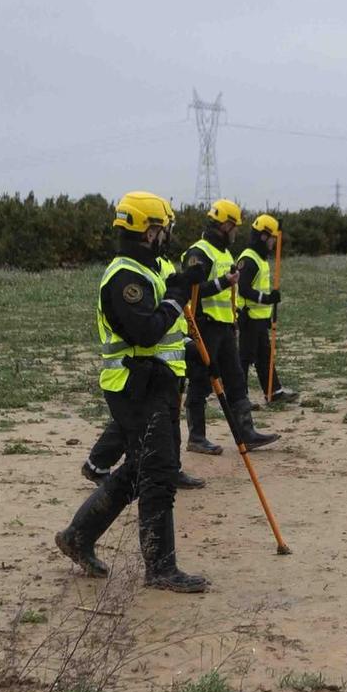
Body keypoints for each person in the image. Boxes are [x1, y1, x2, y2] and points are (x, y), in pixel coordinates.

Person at [55, 192, 209, 593]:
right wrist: (177, 298)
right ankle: (161, 568)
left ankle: (78, 535)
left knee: (140, 469)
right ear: (146, 230)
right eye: (162, 228)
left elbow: (159, 333)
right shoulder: (125, 277)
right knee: (158, 475)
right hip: (135, 387)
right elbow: (144, 330)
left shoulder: (149, 268)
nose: (167, 236)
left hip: (153, 381)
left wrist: (186, 342)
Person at [182, 199, 278, 455]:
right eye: (234, 226)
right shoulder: (198, 252)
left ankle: (246, 432)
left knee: (236, 380)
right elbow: (192, 290)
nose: (237, 232)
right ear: (224, 225)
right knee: (201, 381)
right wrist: (224, 282)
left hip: (225, 328)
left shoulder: (225, 253)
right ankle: (196, 437)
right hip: (204, 326)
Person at [236, 213, 297, 403]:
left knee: (264, 356)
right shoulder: (249, 259)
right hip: (249, 317)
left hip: (260, 318)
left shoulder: (260, 258)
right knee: (244, 359)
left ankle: (274, 392)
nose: (273, 243)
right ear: (263, 236)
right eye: (272, 239)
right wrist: (267, 298)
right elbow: (244, 289)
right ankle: (239, 397)